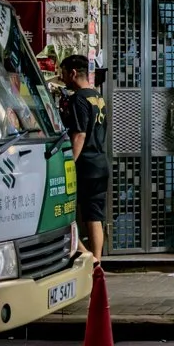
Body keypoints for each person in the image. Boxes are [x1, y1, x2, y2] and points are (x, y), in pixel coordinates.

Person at [60, 55, 109, 264]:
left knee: (65, 212)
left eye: (63, 73)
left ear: (72, 73)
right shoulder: (98, 97)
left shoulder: (78, 98)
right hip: (100, 163)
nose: (62, 78)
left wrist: (69, 163)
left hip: (85, 166)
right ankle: (97, 263)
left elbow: (79, 135)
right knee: (94, 216)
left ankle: (86, 256)